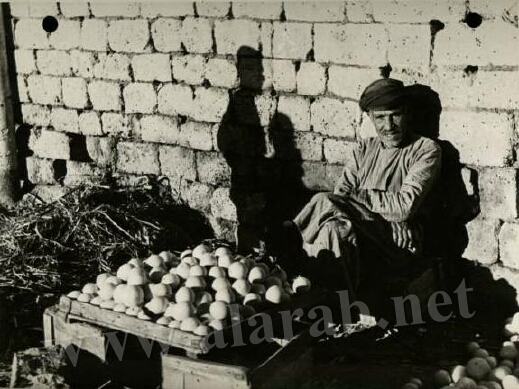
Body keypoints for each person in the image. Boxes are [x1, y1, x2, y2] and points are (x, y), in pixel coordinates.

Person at [278, 78, 442, 300]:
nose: (389, 125)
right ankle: (337, 306)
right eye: (380, 118)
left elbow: (404, 206)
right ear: (370, 118)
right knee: (333, 228)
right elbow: (340, 200)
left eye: (395, 115)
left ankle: (292, 239)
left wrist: (396, 215)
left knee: (325, 201)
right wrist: (393, 214)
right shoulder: (364, 148)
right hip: (363, 230)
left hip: (397, 241)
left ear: (408, 113)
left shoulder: (425, 150)